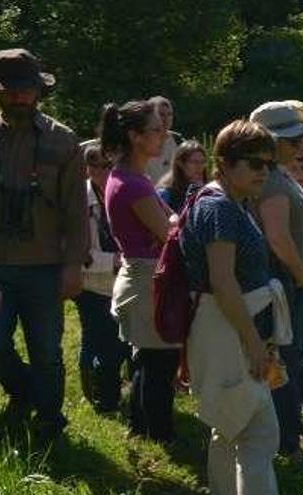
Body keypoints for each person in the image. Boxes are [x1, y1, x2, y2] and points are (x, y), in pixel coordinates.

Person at [180, 119, 287, 494]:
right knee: (259, 434)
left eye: (269, 164)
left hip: (231, 327)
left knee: (228, 427)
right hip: (226, 330)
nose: (264, 171)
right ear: (224, 162)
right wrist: (254, 344)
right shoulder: (220, 208)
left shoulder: (233, 203)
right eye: (255, 163)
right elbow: (223, 283)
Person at [0, 48, 88, 438]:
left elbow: (76, 211)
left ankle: (50, 419)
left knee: (47, 352)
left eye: (25, 89)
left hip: (45, 267)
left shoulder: (63, 141)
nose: (18, 97)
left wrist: (72, 266)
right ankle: (23, 391)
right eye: (10, 90)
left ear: (38, 91)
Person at [251, 100, 303, 462]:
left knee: (293, 357)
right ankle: (287, 441)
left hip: (290, 280)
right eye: (293, 137)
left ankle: (286, 431)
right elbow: (278, 238)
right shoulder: (269, 181)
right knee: (286, 360)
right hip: (283, 282)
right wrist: (302, 275)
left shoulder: (279, 174)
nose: (302, 142)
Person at [101, 100, 180, 442]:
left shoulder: (132, 177)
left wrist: (173, 221)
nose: (163, 134)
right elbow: (169, 233)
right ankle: (160, 436)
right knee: (158, 363)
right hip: (146, 278)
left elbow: (169, 223)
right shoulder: (133, 184)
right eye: (156, 129)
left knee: (148, 360)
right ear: (134, 136)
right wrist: (175, 222)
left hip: (142, 275)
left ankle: (142, 429)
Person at [75, 142, 130, 413]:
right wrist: (113, 261)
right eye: (95, 164)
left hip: (122, 282)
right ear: (87, 168)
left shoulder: (121, 192)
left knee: (116, 342)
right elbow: (74, 251)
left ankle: (101, 390)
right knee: (101, 341)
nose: (102, 170)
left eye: (108, 164)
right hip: (91, 284)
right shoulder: (78, 201)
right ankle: (100, 398)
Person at [156, 139, 208, 213]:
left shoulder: (207, 191)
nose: (199, 167)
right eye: (194, 162)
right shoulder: (165, 195)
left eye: (203, 162)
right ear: (180, 163)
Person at [144, 96, 182, 183]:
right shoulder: (140, 142)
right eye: (161, 114)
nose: (166, 119)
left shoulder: (178, 141)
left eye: (169, 114)